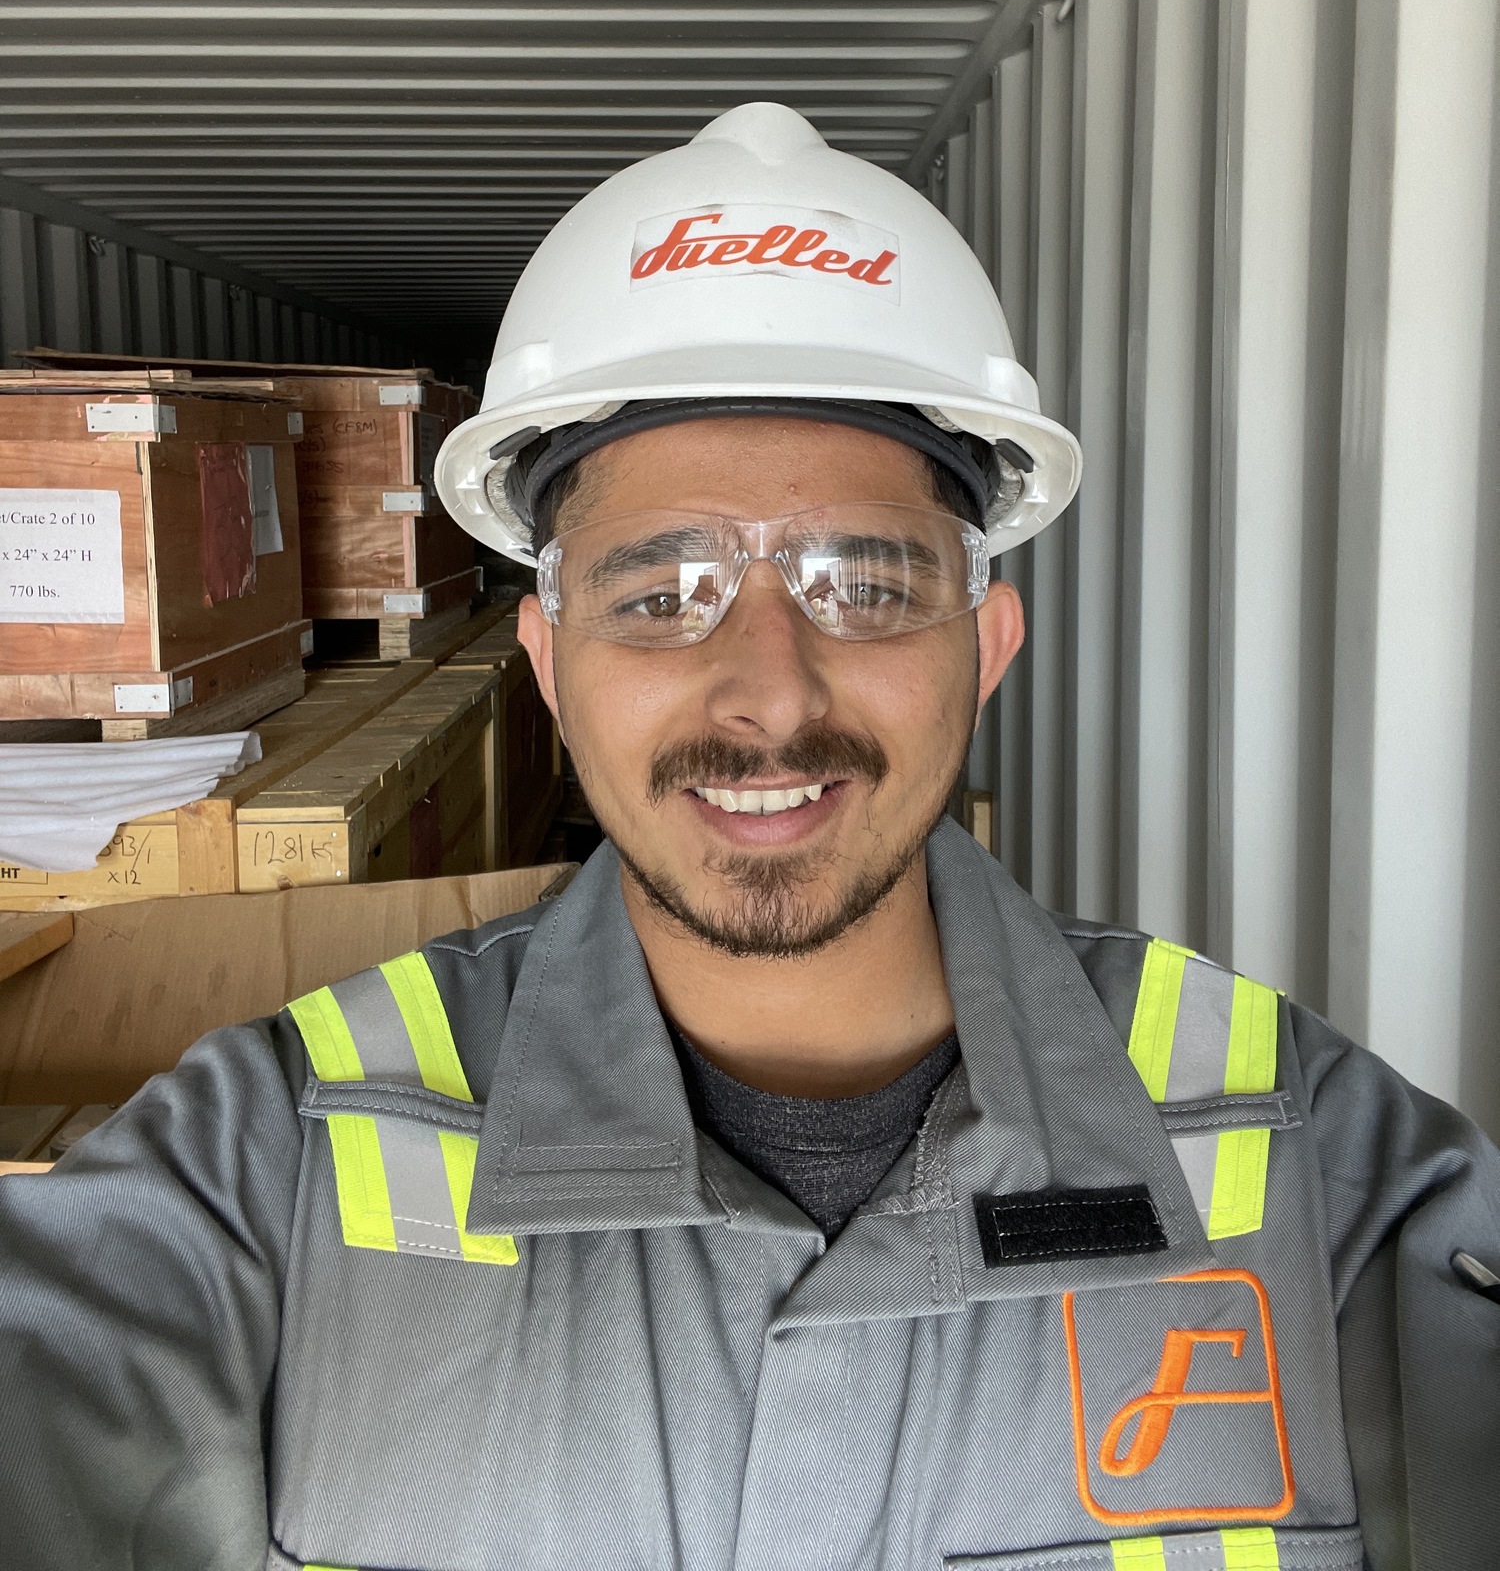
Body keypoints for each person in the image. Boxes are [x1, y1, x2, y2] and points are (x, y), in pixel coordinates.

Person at [1, 103, 1497, 1569]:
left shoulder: (1324, 1165)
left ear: (985, 649)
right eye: (661, 595)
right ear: (548, 669)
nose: (771, 693)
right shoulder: (267, 1163)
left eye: (869, 587)